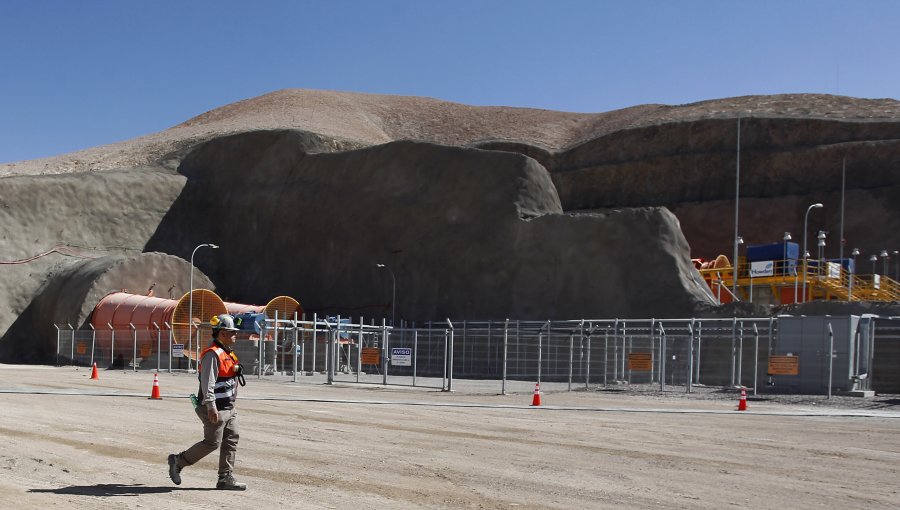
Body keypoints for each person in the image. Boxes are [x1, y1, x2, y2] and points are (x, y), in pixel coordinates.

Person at [168, 313, 247, 490]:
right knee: (212, 442)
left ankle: (225, 478)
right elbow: (207, 383)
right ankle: (177, 461)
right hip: (215, 408)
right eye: (232, 332)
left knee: (231, 439)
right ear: (222, 333)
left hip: (228, 407)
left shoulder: (228, 353)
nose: (236, 335)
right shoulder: (213, 354)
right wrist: (211, 406)